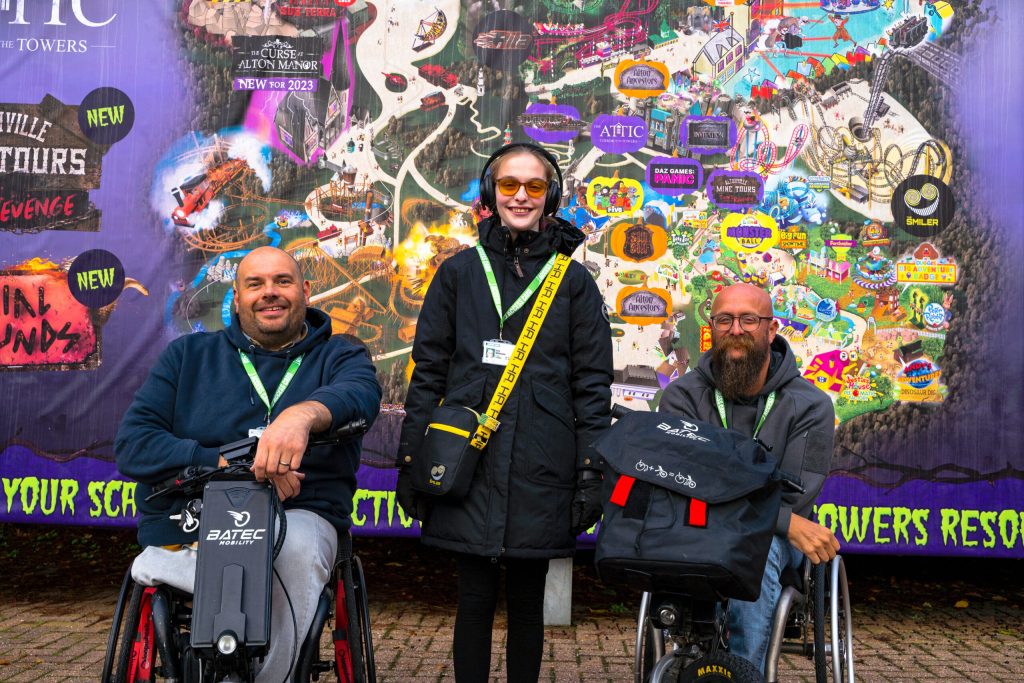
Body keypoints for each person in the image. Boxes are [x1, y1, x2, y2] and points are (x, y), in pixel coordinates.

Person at [396, 143, 613, 683]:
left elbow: (591, 385)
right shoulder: (459, 274)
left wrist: (591, 472)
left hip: (544, 462)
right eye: (509, 184)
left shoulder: (574, 282)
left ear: (550, 196)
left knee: (526, 603)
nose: (521, 195)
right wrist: (411, 456)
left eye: (534, 186)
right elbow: (428, 373)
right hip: (467, 461)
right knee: (472, 598)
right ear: (491, 195)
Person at [115, 246, 381, 682]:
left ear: (306, 291)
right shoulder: (186, 358)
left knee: (292, 549)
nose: (269, 293)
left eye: (283, 281)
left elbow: (361, 398)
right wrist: (222, 464)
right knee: (198, 556)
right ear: (236, 298)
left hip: (300, 513)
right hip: (198, 513)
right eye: (254, 284)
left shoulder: (340, 356)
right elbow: (134, 444)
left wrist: (301, 416)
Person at [658, 282, 839, 673]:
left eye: (748, 319)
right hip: (697, 526)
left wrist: (778, 521)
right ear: (712, 327)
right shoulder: (682, 397)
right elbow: (680, 480)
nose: (735, 329)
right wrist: (781, 519)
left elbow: (793, 499)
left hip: (771, 539)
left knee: (760, 546)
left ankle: (739, 674)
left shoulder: (811, 406)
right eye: (725, 319)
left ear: (771, 330)